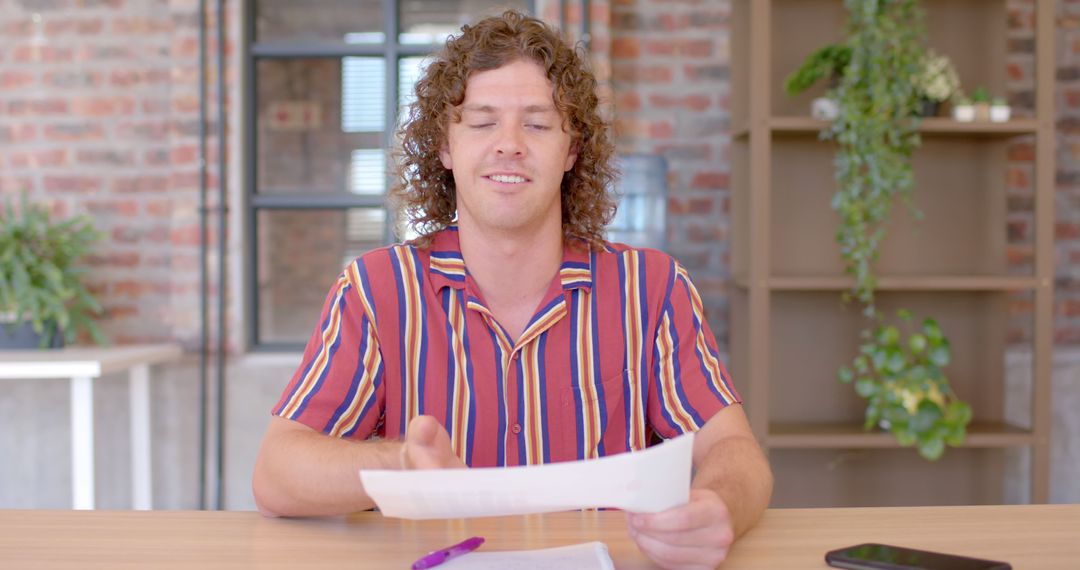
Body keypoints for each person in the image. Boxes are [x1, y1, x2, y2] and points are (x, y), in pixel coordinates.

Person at [252, 10, 772, 569]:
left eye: (538, 124)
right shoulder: (375, 290)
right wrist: (400, 463)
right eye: (481, 123)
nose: (509, 145)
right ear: (445, 150)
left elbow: (734, 451)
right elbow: (276, 475)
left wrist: (718, 506)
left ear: (572, 152)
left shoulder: (653, 288)